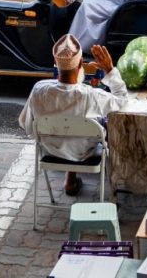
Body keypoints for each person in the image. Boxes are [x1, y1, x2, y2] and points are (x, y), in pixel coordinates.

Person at [18, 34, 128, 196]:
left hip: (50, 152)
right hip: (83, 153)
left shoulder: (39, 90)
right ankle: (114, 189)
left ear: (56, 65)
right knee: (101, 123)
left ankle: (70, 177)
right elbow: (122, 100)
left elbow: (27, 125)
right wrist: (109, 69)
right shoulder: (91, 96)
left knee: (71, 128)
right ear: (80, 65)